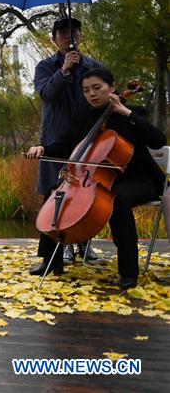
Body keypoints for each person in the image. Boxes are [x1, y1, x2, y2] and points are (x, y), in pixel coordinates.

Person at [26, 68, 166, 289]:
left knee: (118, 200)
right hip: (99, 179)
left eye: (97, 88)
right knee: (56, 190)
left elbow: (158, 140)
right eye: (86, 90)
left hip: (138, 179)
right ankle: (50, 260)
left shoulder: (132, 113)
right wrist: (43, 148)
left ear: (112, 87)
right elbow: (64, 144)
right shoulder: (86, 118)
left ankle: (128, 271)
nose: (91, 94)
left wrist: (126, 113)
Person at [33, 16, 104, 267]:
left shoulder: (93, 66)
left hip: (87, 142)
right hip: (56, 141)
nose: (68, 36)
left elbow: (102, 95)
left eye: (73, 31)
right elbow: (47, 94)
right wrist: (63, 71)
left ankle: (84, 242)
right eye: (62, 32)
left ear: (80, 36)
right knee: (56, 194)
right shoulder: (45, 67)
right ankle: (60, 248)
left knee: (85, 195)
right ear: (54, 39)